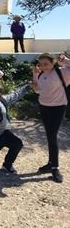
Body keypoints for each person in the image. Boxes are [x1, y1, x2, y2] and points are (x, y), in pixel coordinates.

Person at [31, 53, 70, 183]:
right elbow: (37, 90)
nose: (43, 66)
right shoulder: (41, 73)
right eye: (41, 64)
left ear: (53, 62)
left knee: (52, 136)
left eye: (46, 64)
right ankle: (50, 162)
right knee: (49, 135)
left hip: (58, 107)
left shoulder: (62, 72)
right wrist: (35, 74)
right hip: (44, 107)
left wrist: (65, 61)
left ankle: (55, 168)